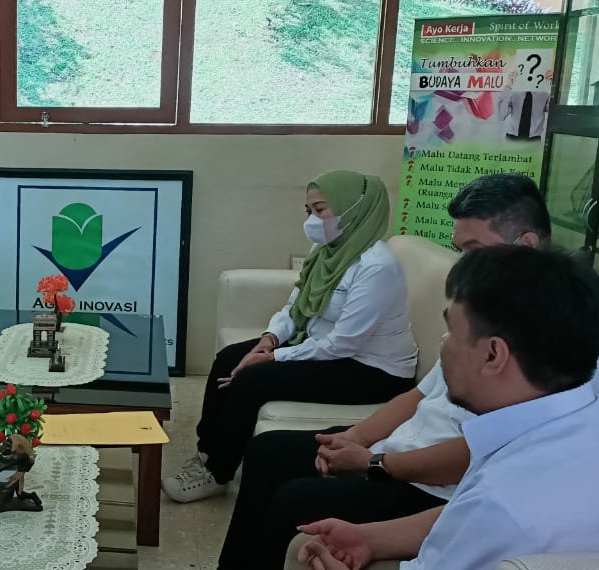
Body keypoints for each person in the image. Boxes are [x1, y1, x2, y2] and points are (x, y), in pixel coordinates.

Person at [213, 173, 599, 570]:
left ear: (525, 245)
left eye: (474, 250)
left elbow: (482, 454)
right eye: (460, 250)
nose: (464, 264)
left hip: (434, 486)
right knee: (268, 452)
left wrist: (374, 463)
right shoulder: (486, 315)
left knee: (296, 502)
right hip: (399, 451)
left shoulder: (565, 347)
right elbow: (421, 395)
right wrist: (355, 437)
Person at [296, 246, 599, 570]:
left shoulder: (503, 507)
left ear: (493, 355)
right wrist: (371, 538)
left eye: (452, 334)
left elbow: (483, 518)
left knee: (302, 550)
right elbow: (464, 516)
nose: (444, 347)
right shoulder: (593, 422)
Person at [165, 170, 419, 503]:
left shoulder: (377, 267)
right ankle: (207, 453)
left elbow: (344, 343)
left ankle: (218, 472)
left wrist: (273, 358)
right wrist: (269, 339)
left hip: (372, 370)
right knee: (228, 359)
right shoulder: (327, 249)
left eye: (321, 210)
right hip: (324, 348)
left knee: (252, 380)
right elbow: (296, 306)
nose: (312, 220)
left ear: (354, 209)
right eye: (308, 210)